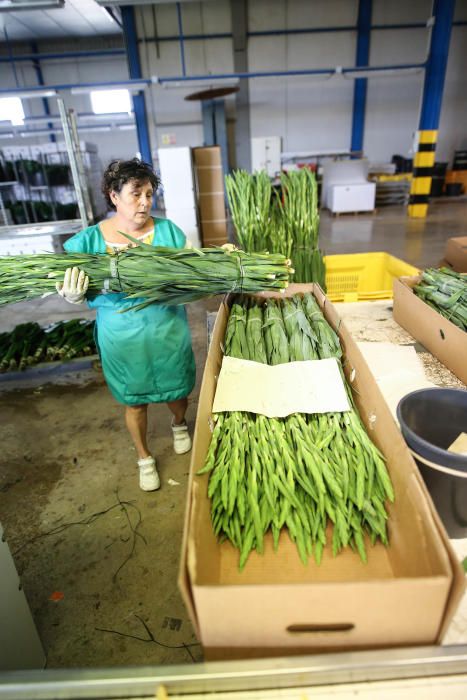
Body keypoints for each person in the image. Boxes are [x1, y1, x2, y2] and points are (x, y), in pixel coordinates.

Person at [56, 158, 196, 492]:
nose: (145, 202)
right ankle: (144, 457)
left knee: (177, 389)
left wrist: (208, 270)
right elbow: (67, 280)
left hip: (167, 331)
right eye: (136, 194)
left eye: (149, 193)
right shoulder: (89, 242)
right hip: (121, 337)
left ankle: (179, 424)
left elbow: (194, 273)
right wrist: (71, 295)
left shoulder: (169, 232)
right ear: (113, 196)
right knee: (134, 399)